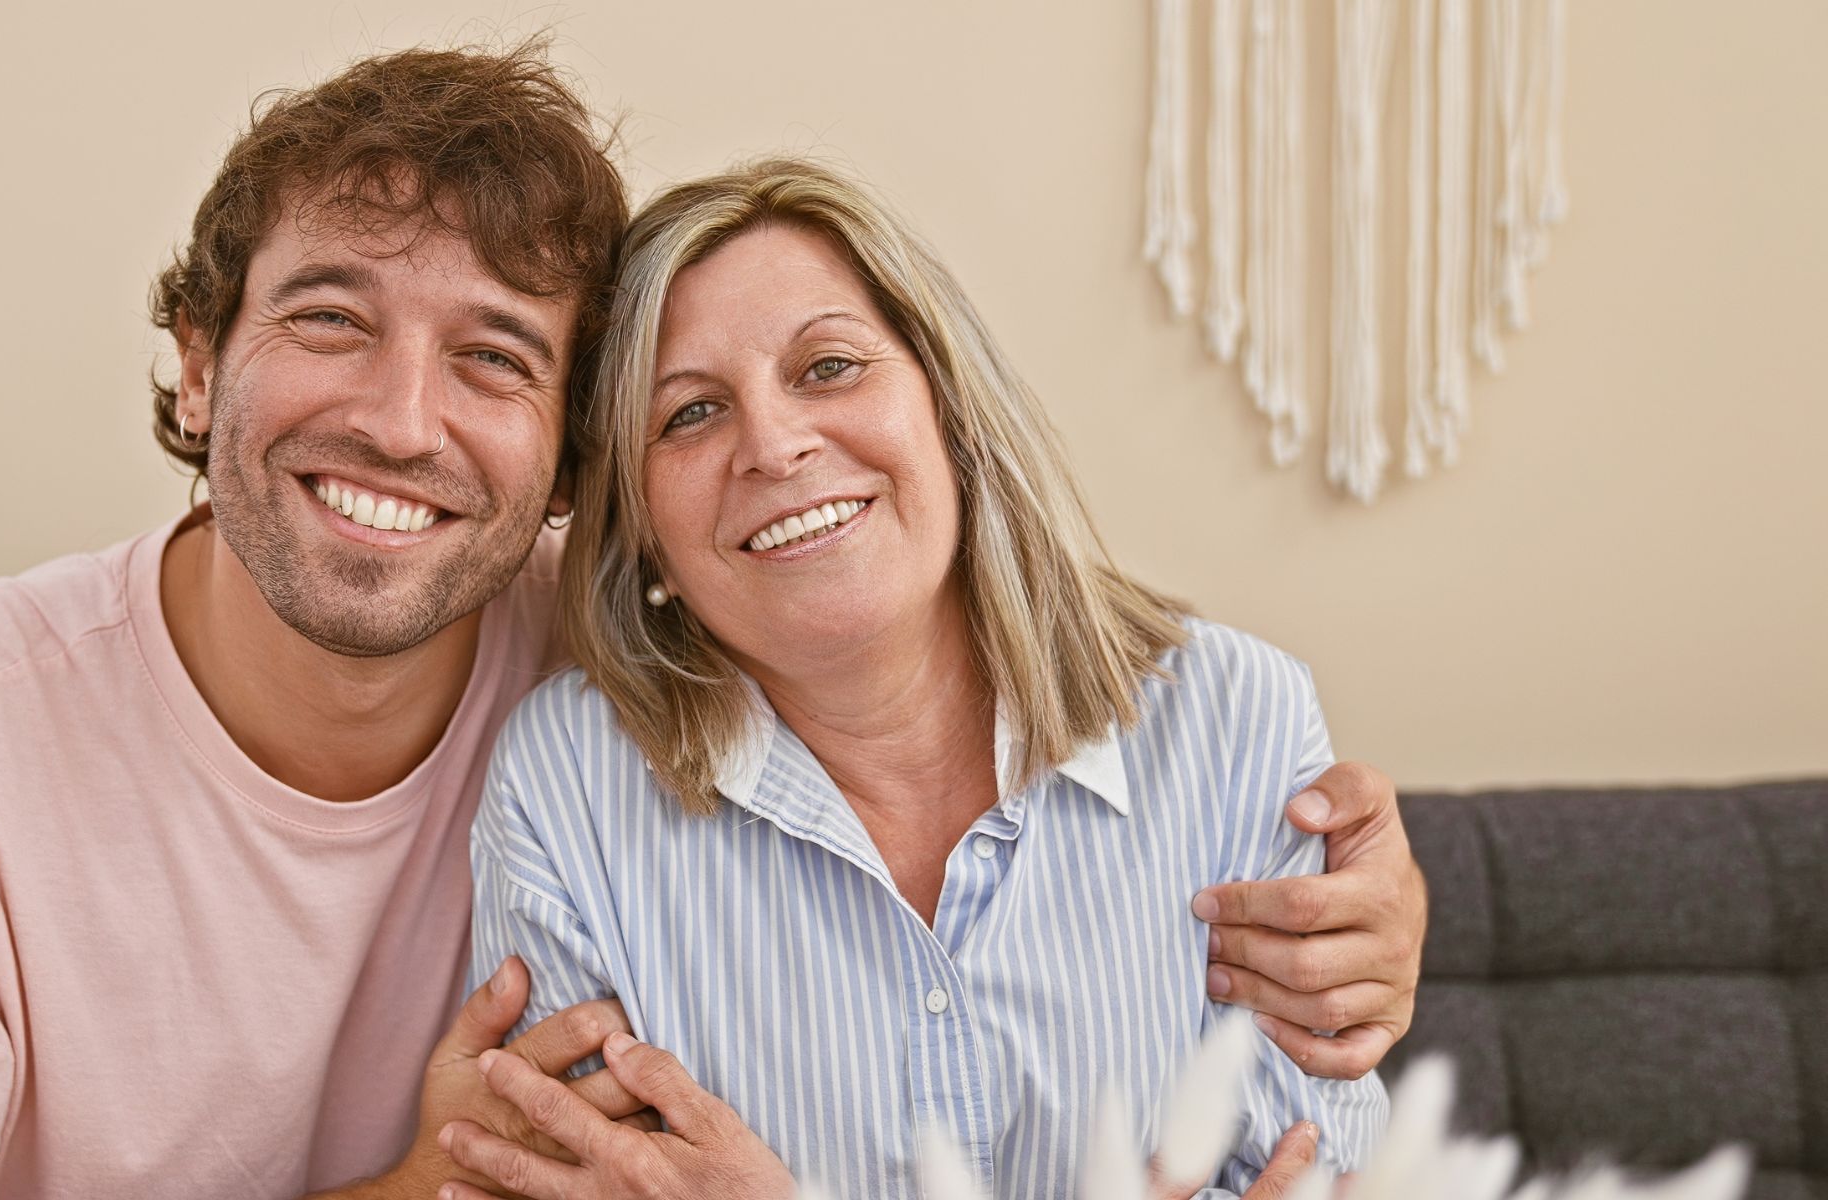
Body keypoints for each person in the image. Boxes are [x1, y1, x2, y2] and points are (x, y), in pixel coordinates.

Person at [0, 44, 1425, 1200]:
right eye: (328, 317)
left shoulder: (647, 663)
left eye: (497, 360)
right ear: (199, 359)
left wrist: (1363, 906)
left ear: (564, 478)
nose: (400, 418)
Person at [443, 161, 1391, 1200]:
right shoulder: (565, 786)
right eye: (691, 414)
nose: (774, 443)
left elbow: (1310, 1173)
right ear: (646, 535)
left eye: (829, 368)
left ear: (948, 409)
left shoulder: (1235, 720)